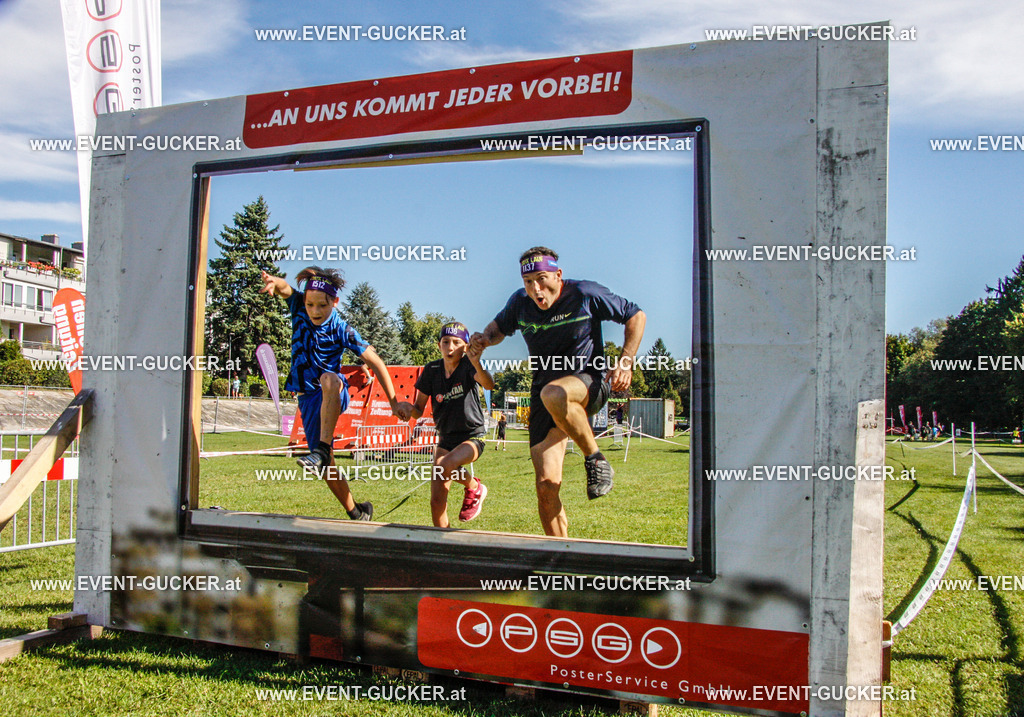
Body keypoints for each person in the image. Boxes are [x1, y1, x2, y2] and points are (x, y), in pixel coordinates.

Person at [471, 247, 646, 538]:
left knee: (554, 393)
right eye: (528, 282)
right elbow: (498, 327)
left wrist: (625, 361)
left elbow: (636, 315)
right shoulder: (520, 303)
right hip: (544, 395)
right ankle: (560, 556)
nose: (536, 289)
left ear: (558, 275)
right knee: (545, 487)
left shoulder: (584, 293)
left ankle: (596, 459)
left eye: (542, 279)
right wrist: (484, 339)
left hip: (587, 383)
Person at [260, 266, 405, 521]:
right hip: (308, 398)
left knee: (328, 378)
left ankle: (323, 449)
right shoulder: (298, 308)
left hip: (334, 391)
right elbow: (286, 289)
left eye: (322, 306)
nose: (315, 311)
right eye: (310, 305)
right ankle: (357, 511)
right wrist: (274, 282)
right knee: (327, 469)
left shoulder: (342, 329)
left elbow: (377, 362)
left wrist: (393, 402)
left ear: (335, 302)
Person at [398, 322, 495, 527]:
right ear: (438, 345)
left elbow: (489, 384)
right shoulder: (432, 369)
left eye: (457, 342)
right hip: (446, 438)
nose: (450, 347)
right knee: (436, 501)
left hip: (472, 436)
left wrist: (477, 363)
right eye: (446, 342)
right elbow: (418, 409)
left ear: (466, 347)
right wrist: (407, 409)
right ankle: (442, 541)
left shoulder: (469, 365)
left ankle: (474, 487)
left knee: (444, 465)